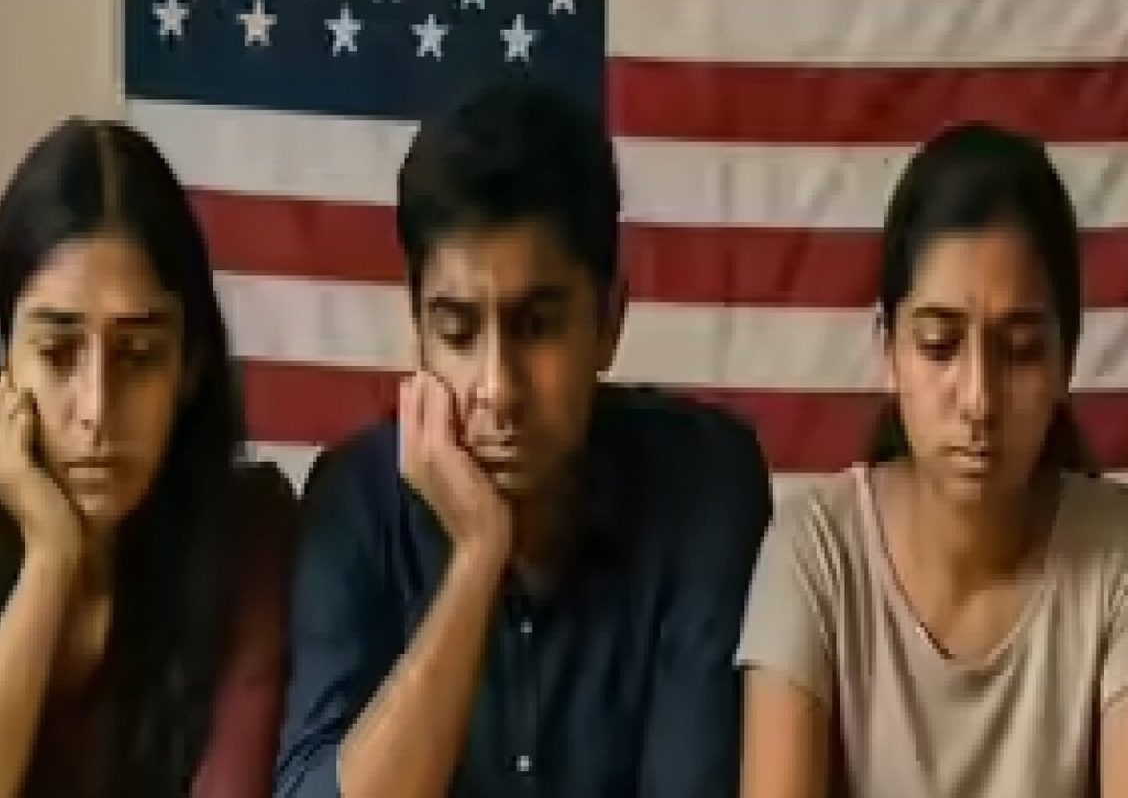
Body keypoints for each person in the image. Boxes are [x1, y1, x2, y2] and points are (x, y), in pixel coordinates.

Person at [273, 76, 773, 798]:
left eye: (537, 327)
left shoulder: (707, 485)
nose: (498, 389)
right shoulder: (353, 502)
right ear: (417, 329)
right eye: (457, 332)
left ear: (609, 320)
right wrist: (477, 562)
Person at [737, 123, 1128, 797]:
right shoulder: (815, 553)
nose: (978, 399)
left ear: (1066, 360)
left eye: (1020, 351)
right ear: (888, 351)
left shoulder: (1125, 559)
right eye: (940, 345)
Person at [0, 118, 297, 797]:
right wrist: (50, 558)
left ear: (190, 365)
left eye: (137, 357)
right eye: (58, 354)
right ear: (4, 362)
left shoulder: (249, 534)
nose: (97, 409)